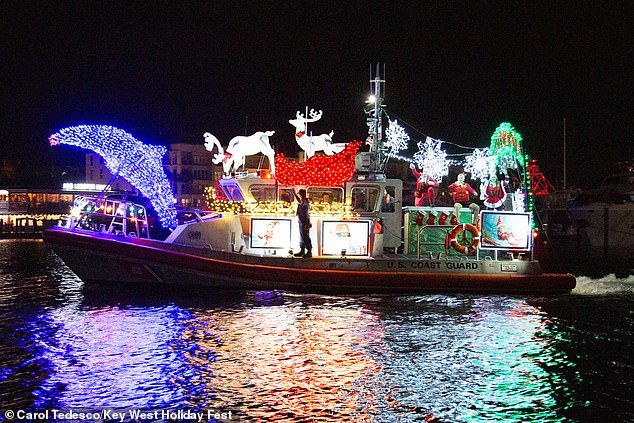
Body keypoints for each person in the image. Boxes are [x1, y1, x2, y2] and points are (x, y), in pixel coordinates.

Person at [293, 189, 312, 258]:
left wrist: (294, 194)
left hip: (304, 221)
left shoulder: (305, 201)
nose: (299, 195)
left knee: (305, 236)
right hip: (302, 220)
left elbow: (300, 201)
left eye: (299, 194)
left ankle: (309, 251)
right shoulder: (305, 201)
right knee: (302, 236)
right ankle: (302, 250)